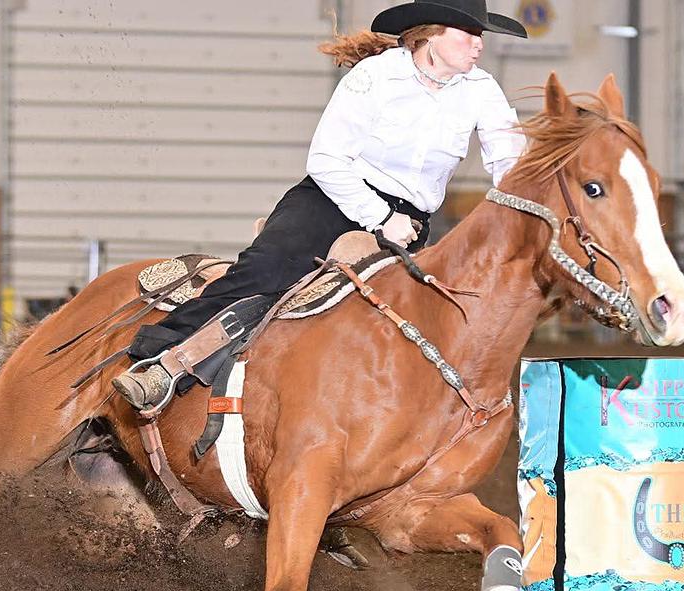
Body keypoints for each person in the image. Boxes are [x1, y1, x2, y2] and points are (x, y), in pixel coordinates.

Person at [113, 0, 528, 411]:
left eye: (480, 35)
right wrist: (382, 218)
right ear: (431, 35)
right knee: (264, 270)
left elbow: (510, 164)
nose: (479, 44)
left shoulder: (482, 90)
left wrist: (527, 204)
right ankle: (160, 361)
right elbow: (327, 160)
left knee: (424, 323)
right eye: (468, 33)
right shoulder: (375, 76)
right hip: (333, 200)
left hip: (409, 223)